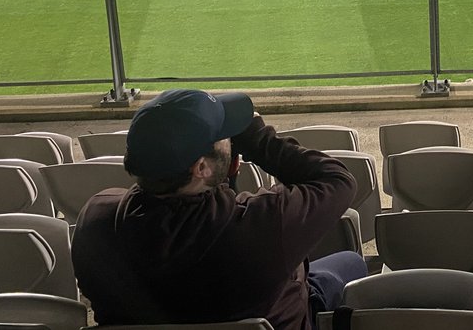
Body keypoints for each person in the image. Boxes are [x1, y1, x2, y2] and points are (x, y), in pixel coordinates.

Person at [72, 89, 365, 330]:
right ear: (201, 167)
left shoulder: (94, 223)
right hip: (283, 313)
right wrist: (256, 138)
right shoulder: (265, 225)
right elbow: (338, 180)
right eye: (223, 135)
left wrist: (222, 178)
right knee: (352, 262)